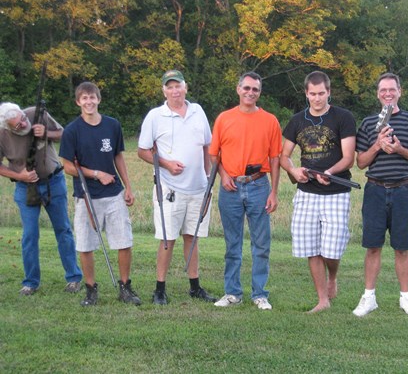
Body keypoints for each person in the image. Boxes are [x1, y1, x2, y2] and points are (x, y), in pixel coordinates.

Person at [353, 72, 408, 317]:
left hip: (405, 190)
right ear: (377, 94)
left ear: (400, 91)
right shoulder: (368, 124)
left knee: (402, 247)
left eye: (392, 90)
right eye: (383, 90)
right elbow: (361, 163)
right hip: (375, 190)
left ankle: (406, 297)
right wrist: (377, 145)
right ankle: (369, 298)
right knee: (372, 246)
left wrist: (399, 149)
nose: (387, 94)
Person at [137, 70, 217, 305]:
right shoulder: (155, 116)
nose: (175, 91)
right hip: (169, 188)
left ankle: (195, 287)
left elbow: (206, 146)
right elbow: (142, 151)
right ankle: (159, 289)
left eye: (178, 86)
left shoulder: (198, 111)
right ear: (164, 91)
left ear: (185, 87)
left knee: (192, 238)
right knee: (167, 239)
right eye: (169, 87)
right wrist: (166, 164)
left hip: (198, 188)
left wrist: (207, 177)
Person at [59, 82, 141, 306]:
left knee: (124, 241)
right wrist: (96, 174)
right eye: (84, 98)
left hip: (114, 193)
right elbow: (67, 166)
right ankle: (91, 289)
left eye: (92, 97)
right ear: (78, 102)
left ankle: (125, 287)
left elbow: (118, 157)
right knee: (85, 245)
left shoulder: (112, 125)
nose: (89, 102)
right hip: (86, 195)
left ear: (99, 99)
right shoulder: (72, 130)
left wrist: (128, 187)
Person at [280, 71, 356, 313]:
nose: (317, 98)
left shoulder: (343, 117)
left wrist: (329, 172)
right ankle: (322, 300)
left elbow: (349, 158)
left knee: (331, 249)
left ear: (329, 92)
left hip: (336, 190)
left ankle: (333, 276)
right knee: (310, 248)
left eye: (321, 93)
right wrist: (294, 171)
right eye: (312, 94)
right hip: (307, 192)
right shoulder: (296, 121)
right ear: (306, 94)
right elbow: (283, 156)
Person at [209, 71, 281, 310]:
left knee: (261, 243)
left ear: (259, 93)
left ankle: (260, 293)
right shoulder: (224, 118)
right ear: (238, 89)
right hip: (230, 187)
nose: (251, 93)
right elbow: (213, 154)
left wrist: (274, 192)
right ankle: (232, 292)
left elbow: (275, 159)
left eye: (255, 90)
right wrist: (224, 175)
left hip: (259, 185)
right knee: (232, 243)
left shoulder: (270, 121)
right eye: (247, 88)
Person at [0, 102, 82, 296]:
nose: (22, 123)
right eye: (17, 124)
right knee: (30, 235)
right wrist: (20, 176)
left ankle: (74, 278)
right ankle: (30, 282)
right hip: (25, 187)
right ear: (6, 127)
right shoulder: (2, 134)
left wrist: (46, 133)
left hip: (54, 181)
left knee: (63, 230)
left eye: (22, 118)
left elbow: (64, 134)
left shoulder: (36, 114)